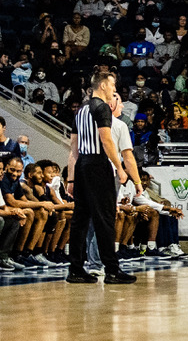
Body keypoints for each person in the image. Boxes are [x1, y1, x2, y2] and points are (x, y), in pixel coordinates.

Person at [66, 70, 135, 284]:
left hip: (83, 166)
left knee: (79, 220)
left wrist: (71, 178)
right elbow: (106, 141)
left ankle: (75, 269)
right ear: (103, 85)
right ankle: (112, 270)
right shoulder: (102, 107)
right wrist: (120, 168)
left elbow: (74, 148)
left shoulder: (81, 110)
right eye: (112, 85)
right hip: (98, 165)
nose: (114, 89)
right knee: (105, 219)